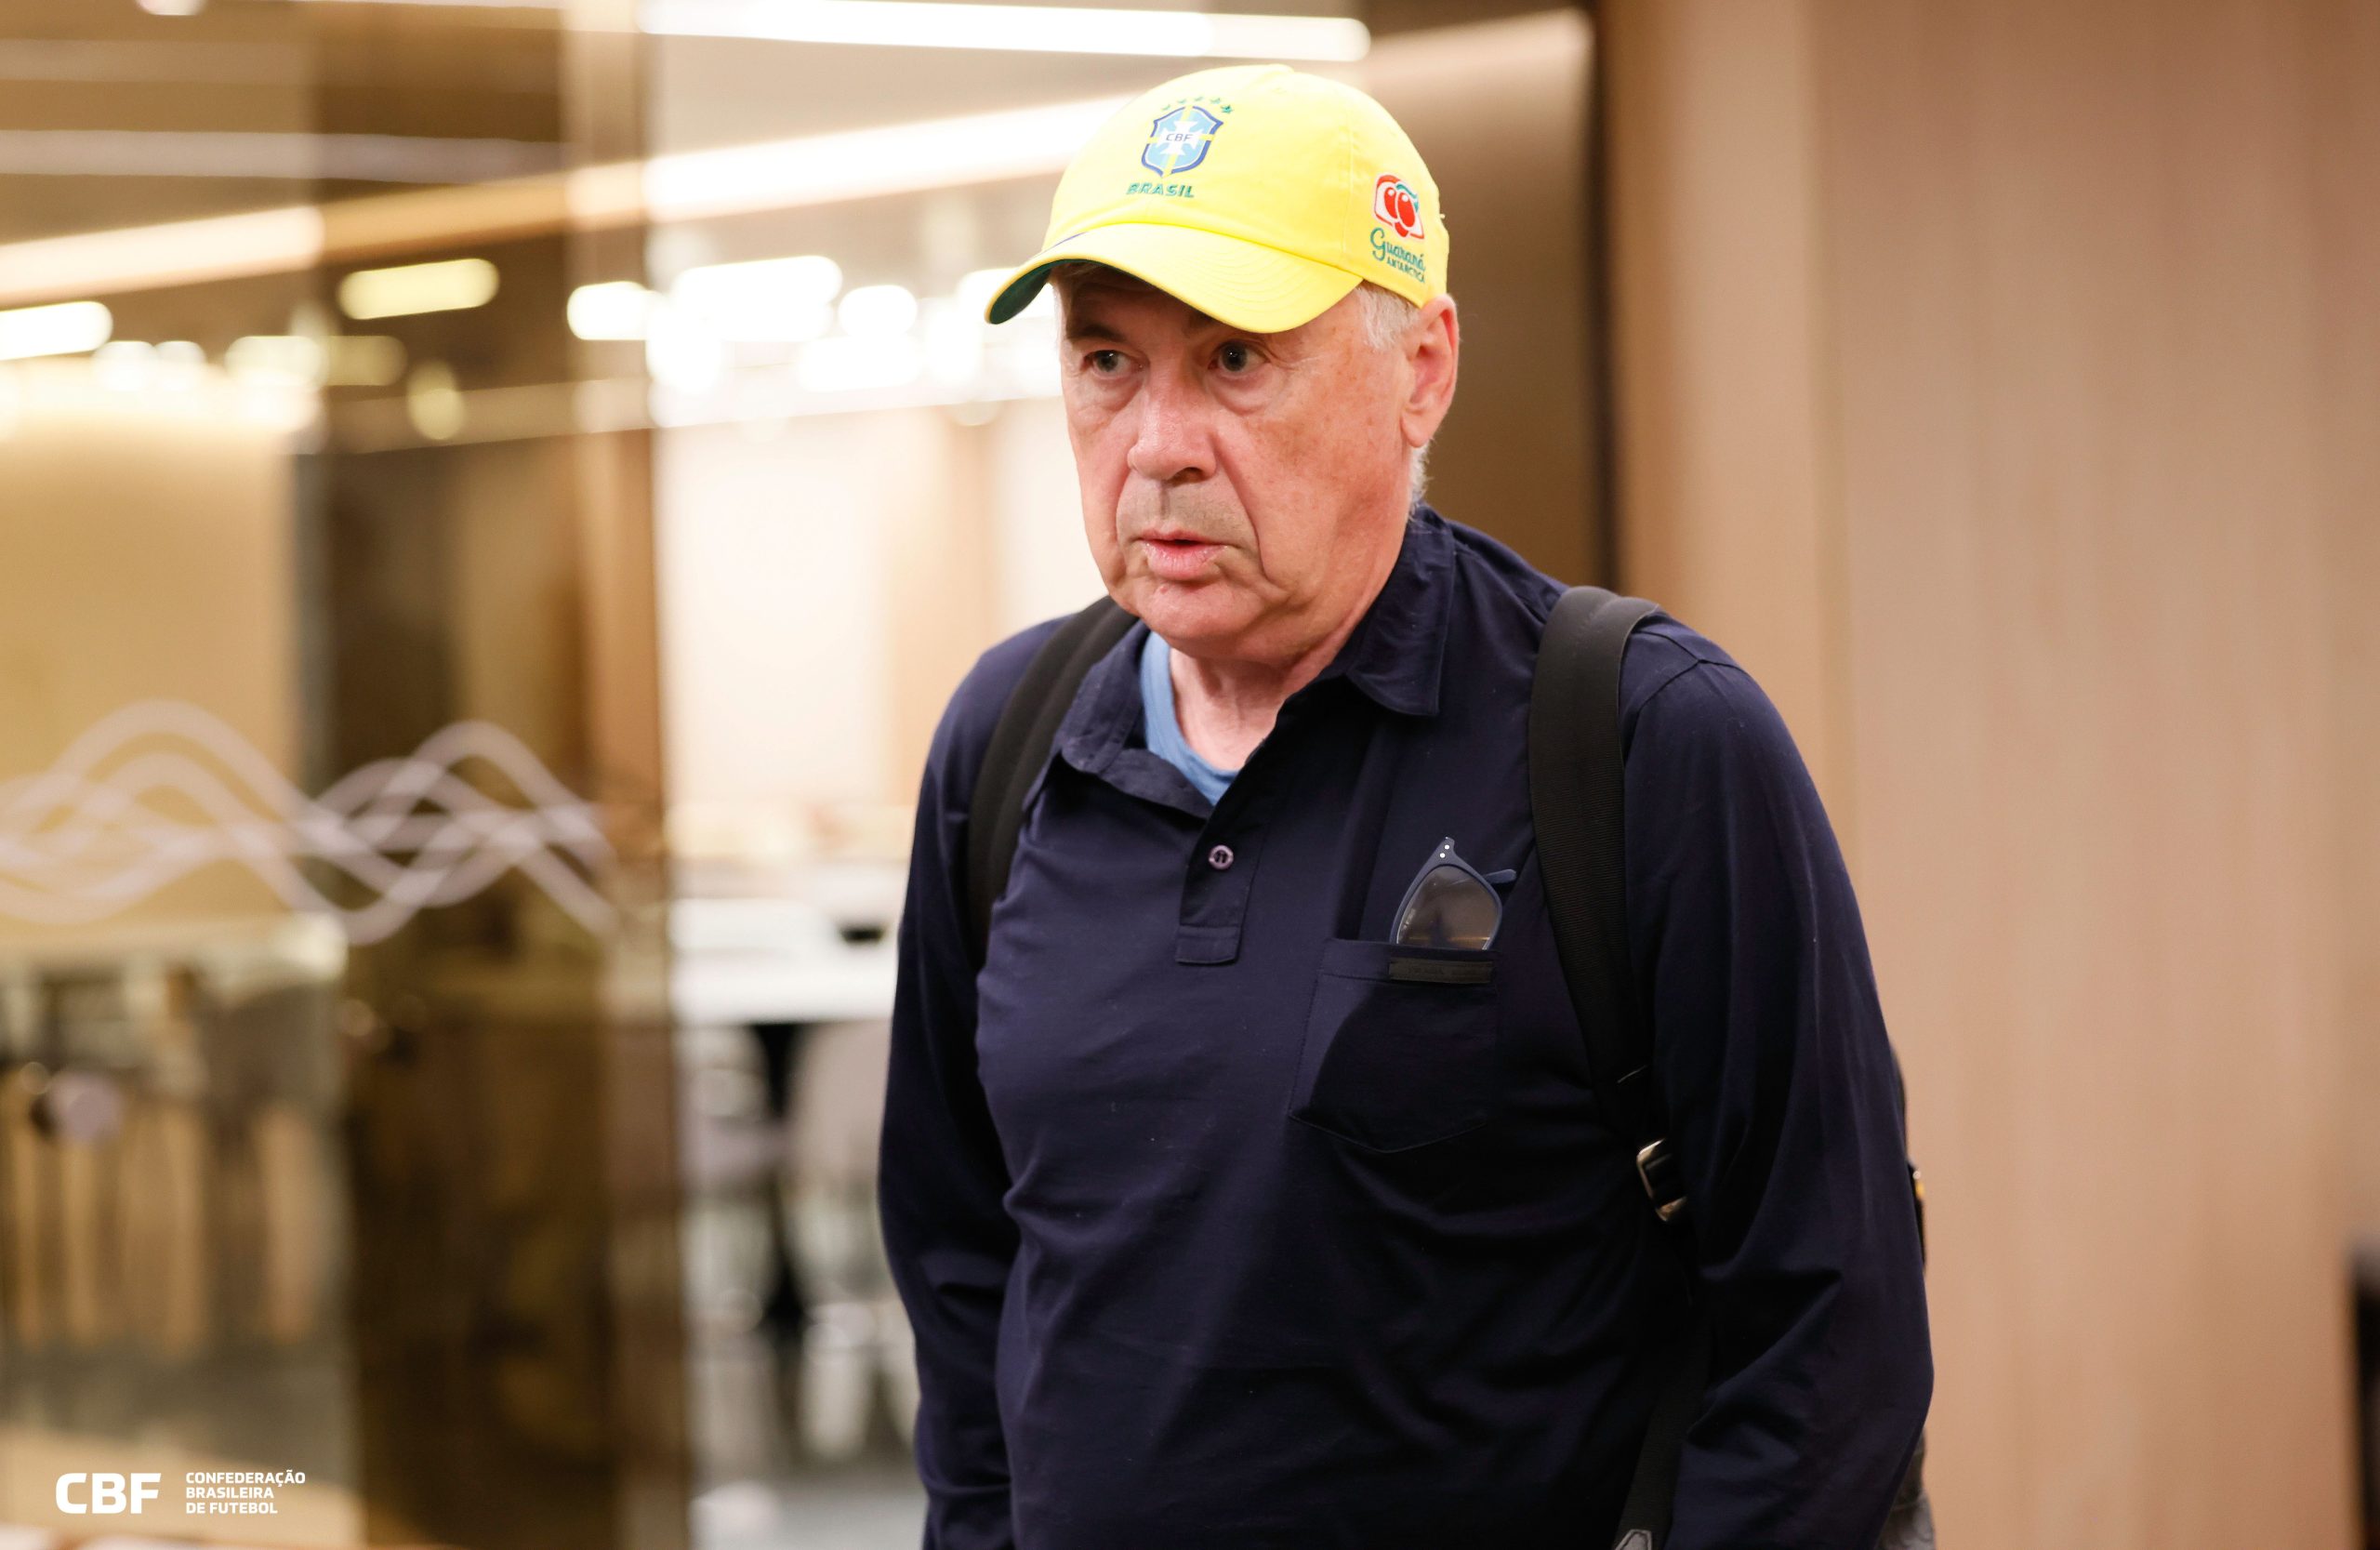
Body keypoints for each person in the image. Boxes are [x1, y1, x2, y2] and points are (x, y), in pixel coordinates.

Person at [876, 62, 1930, 1550]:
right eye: (1106, 360)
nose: (1158, 442)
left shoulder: (1637, 741)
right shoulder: (1007, 743)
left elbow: (1830, 1332)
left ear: (1421, 369)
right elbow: (960, 1265)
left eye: (1236, 359)